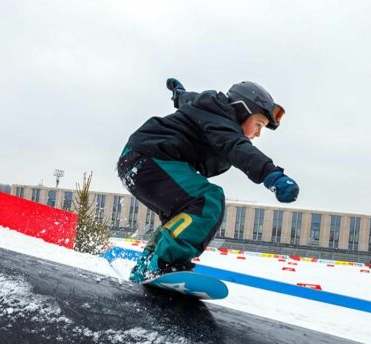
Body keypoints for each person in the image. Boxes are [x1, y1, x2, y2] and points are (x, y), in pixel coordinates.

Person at [117, 78, 298, 282]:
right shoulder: (221, 121)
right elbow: (238, 149)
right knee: (207, 200)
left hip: (137, 162)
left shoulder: (209, 110)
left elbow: (188, 100)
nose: (257, 134)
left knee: (182, 218)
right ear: (241, 111)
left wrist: (179, 94)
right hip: (151, 157)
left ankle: (147, 268)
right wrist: (271, 174)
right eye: (258, 124)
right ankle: (166, 263)